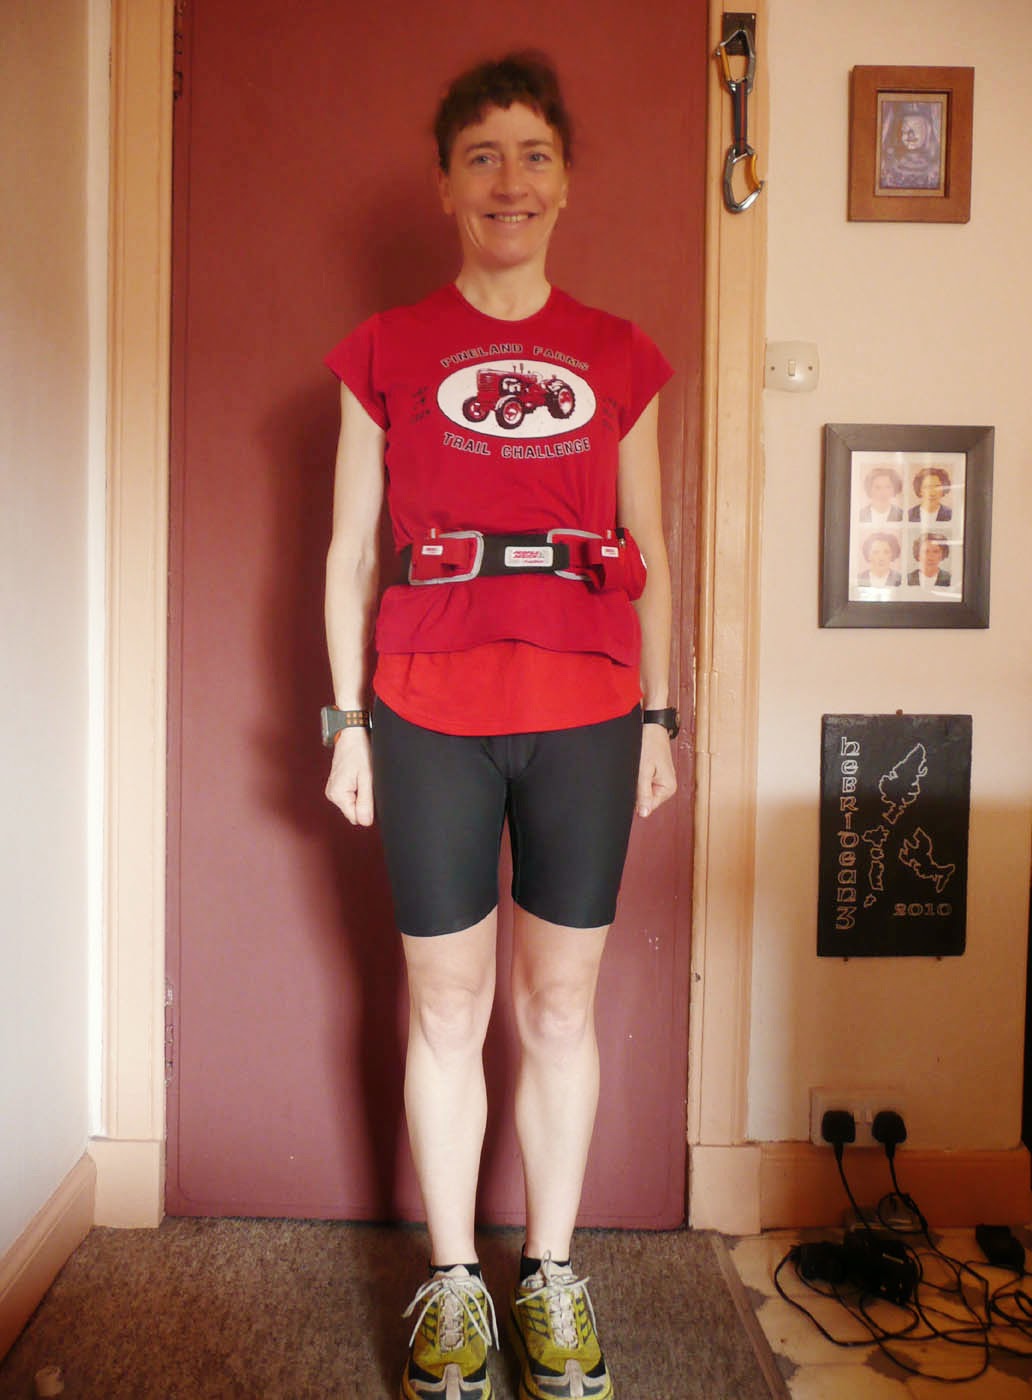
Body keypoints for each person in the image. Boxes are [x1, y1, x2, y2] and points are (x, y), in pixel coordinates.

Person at [322, 52, 677, 1400]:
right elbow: (349, 552)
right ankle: (458, 1279)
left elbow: (652, 551)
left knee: (560, 1000)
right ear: (445, 184)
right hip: (425, 706)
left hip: (589, 706)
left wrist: (663, 714)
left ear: (566, 182)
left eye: (533, 155)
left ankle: (553, 1273)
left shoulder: (620, 354)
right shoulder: (383, 349)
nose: (509, 182)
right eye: (482, 156)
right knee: (447, 1000)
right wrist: (346, 720)